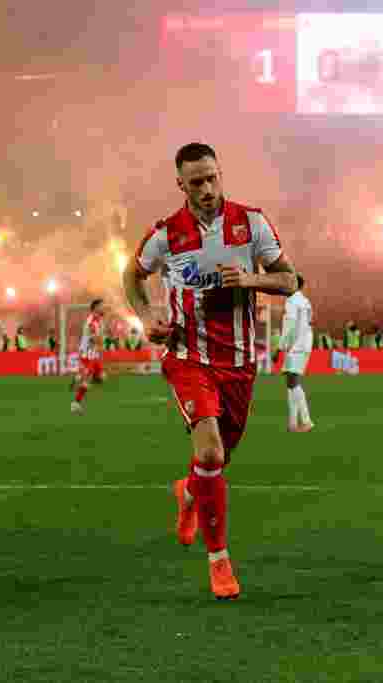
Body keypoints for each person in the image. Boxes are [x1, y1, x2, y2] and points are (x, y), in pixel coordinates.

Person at [123, 142, 298, 600]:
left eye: (212, 178)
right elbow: (132, 275)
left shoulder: (251, 223)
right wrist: (146, 315)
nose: (207, 188)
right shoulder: (166, 235)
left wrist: (252, 279)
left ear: (221, 174)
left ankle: (188, 493)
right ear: (180, 184)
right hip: (188, 357)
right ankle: (219, 561)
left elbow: (291, 279)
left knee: (216, 461)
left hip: (239, 360)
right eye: (196, 181)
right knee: (211, 454)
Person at [281, 274, 315, 432]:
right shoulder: (305, 301)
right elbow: (309, 322)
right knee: (290, 383)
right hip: (303, 344)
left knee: (293, 382)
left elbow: (290, 325)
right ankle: (293, 423)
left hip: (296, 345)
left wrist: (279, 347)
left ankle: (306, 421)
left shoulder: (292, 301)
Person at [71, 299, 107, 413]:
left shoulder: (99, 320)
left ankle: (79, 377)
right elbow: (94, 339)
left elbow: (98, 337)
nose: (103, 308)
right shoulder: (92, 322)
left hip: (94, 353)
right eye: (101, 306)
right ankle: (75, 404)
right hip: (87, 354)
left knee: (102, 378)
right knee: (88, 380)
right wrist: (101, 342)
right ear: (95, 308)